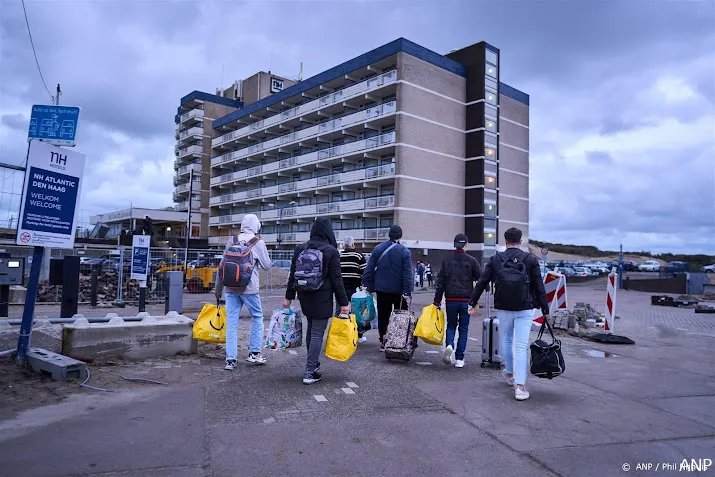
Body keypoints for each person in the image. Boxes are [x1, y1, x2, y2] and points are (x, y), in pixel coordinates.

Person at [468, 228, 550, 401]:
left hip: (504, 307)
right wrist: (545, 309)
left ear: (505, 242)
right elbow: (539, 286)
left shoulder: (496, 259)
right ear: (520, 242)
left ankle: (510, 373)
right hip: (525, 308)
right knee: (520, 345)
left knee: (506, 339)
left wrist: (472, 302)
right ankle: (520, 387)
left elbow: (482, 282)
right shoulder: (530, 260)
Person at [284, 217, 349, 385]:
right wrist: (344, 303)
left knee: (312, 330)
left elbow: (292, 275)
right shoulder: (331, 251)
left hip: (304, 295)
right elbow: (337, 280)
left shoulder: (301, 248)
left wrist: (288, 297)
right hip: (323, 296)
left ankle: (312, 364)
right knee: (317, 333)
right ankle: (310, 371)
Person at [215, 214, 272, 370]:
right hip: (249, 288)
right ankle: (254, 353)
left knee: (232, 323)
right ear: (256, 226)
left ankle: (231, 360)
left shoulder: (232, 240)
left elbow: (222, 266)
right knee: (257, 317)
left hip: (230, 288)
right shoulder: (258, 242)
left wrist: (218, 289)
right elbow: (267, 265)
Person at [362, 225, 413, 351]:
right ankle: (398, 341)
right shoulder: (404, 251)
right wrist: (407, 290)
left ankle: (383, 341)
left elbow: (369, 268)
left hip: (382, 289)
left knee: (383, 316)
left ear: (389, 235)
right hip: (398, 291)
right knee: (400, 316)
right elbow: (407, 273)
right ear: (400, 236)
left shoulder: (378, 249)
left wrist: (366, 283)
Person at [433, 234, 481, 368]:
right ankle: (459, 359)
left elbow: (440, 282)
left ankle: (449, 345)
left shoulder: (447, 260)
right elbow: (481, 279)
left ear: (454, 244)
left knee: (451, 326)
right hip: (466, 300)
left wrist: (437, 302)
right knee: (464, 328)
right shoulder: (472, 261)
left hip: (451, 299)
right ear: (466, 244)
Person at [339, 236, 367, 343]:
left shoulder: (339, 256)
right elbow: (364, 273)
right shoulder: (358, 256)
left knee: (341, 311)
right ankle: (358, 335)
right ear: (353, 244)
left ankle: (342, 335)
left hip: (341, 290)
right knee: (358, 313)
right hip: (356, 290)